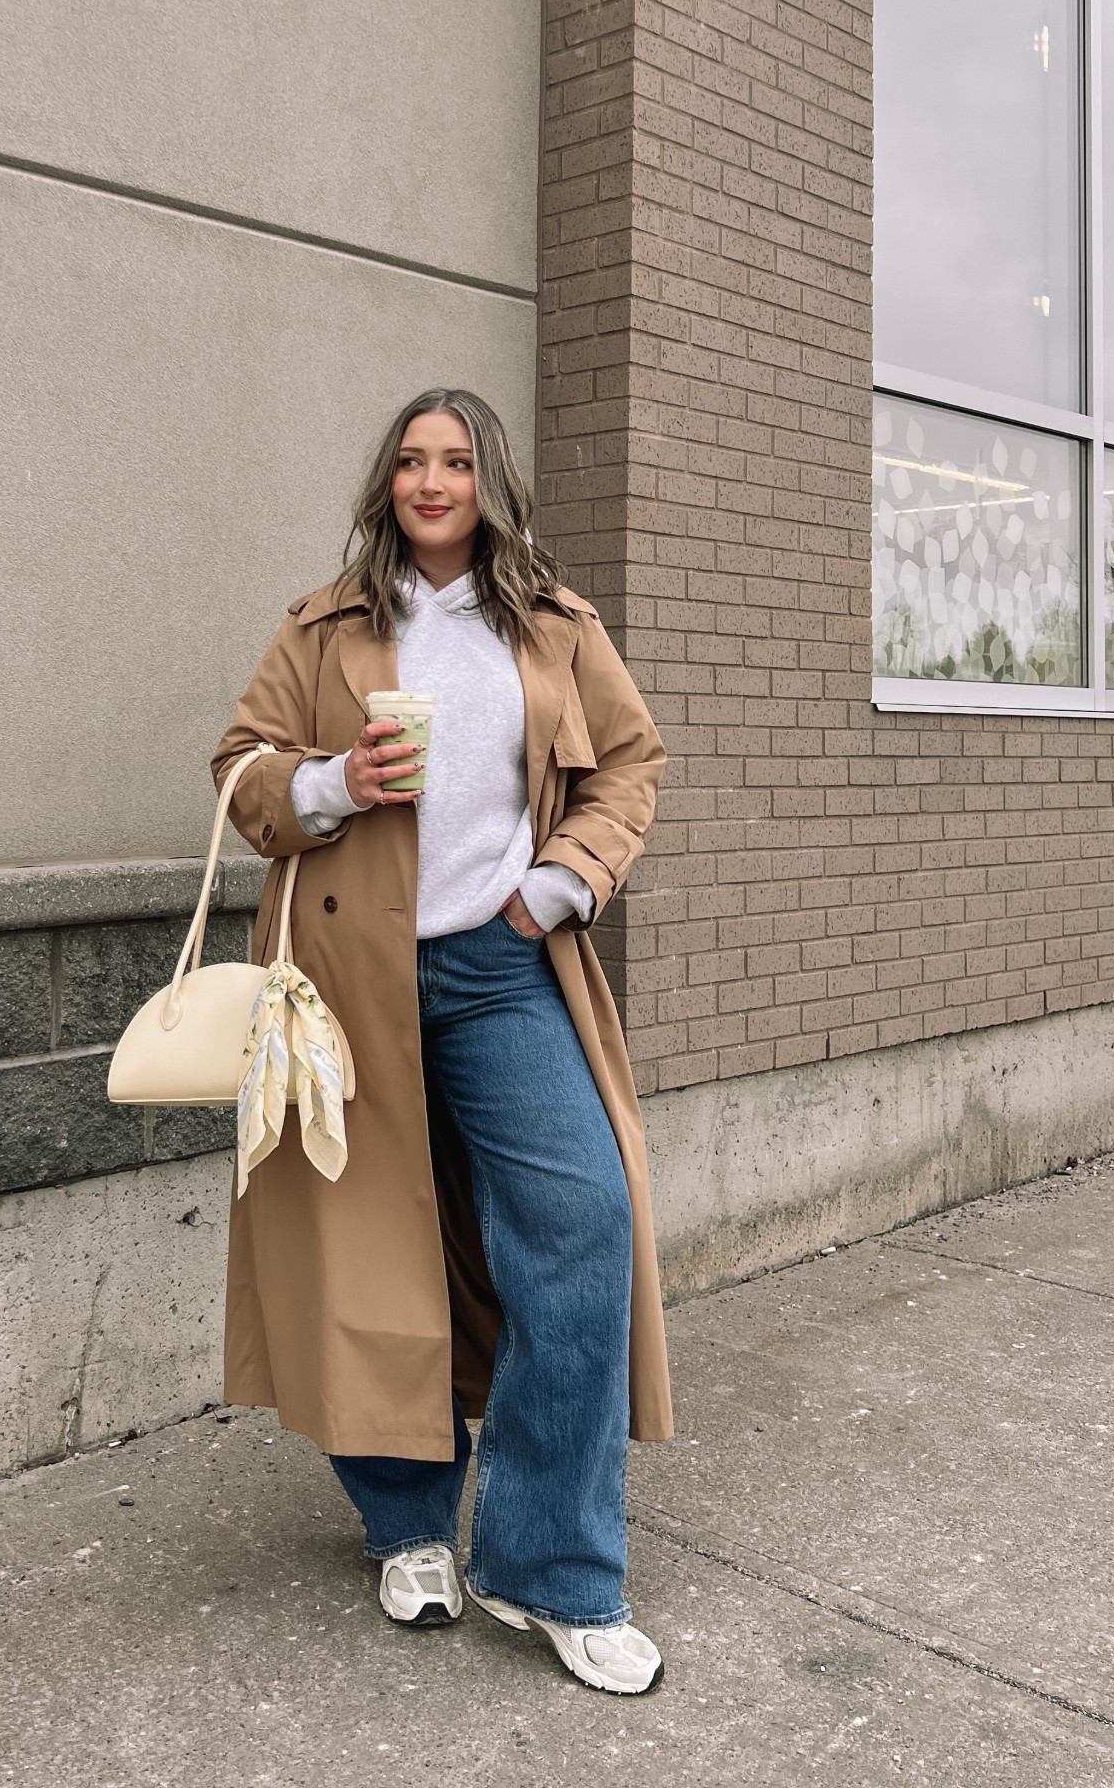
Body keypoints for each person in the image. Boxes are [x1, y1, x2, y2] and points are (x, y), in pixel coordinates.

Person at [210, 388, 673, 1694]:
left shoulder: (554, 626)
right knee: (373, 1256)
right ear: (387, 480)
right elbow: (239, 769)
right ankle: (407, 1524)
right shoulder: (325, 626)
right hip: (347, 979)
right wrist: (328, 784)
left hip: (498, 966)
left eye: (455, 459)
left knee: (583, 1225)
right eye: (411, 459)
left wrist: (562, 883)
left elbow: (629, 764)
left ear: (488, 479)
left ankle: (548, 1568)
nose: (431, 479)